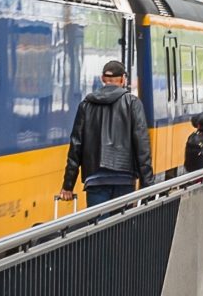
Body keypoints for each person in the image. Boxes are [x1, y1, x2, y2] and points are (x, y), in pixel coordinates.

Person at [58, 59, 152, 210]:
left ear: (102, 79)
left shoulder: (86, 105)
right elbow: (142, 145)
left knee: (99, 229)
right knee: (122, 228)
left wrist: (68, 185)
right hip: (125, 178)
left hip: (95, 179)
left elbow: (76, 146)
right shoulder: (132, 103)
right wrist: (147, 184)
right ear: (123, 79)